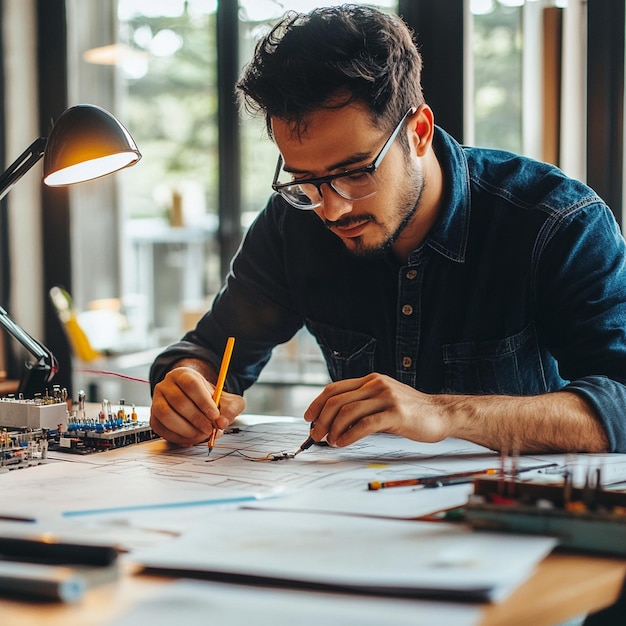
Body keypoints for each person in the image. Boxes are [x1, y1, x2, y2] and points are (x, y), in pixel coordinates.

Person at [149, 4, 626, 455]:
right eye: (306, 182)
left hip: (511, 522)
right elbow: (211, 350)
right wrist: (188, 385)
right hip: (356, 519)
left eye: (356, 172)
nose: (331, 210)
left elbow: (620, 401)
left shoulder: (556, 222)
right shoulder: (292, 226)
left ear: (418, 132)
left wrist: (445, 413)